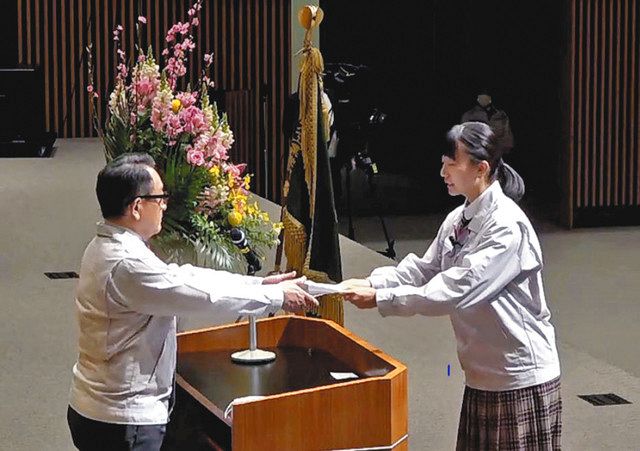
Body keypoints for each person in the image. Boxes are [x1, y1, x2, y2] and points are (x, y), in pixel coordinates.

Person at [67, 153, 318, 451]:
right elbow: (203, 297)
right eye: (159, 197)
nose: (164, 204)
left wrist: (259, 284)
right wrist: (277, 297)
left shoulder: (109, 244)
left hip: (100, 409)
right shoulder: (127, 263)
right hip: (123, 420)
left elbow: (185, 277)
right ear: (136, 207)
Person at [342, 122, 561, 450]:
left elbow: (457, 288)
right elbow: (426, 269)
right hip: (481, 374)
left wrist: (381, 298)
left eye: (452, 163)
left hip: (518, 377)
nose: (442, 171)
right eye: (443, 162)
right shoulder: (459, 218)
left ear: (481, 168)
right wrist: (373, 280)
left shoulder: (506, 226)